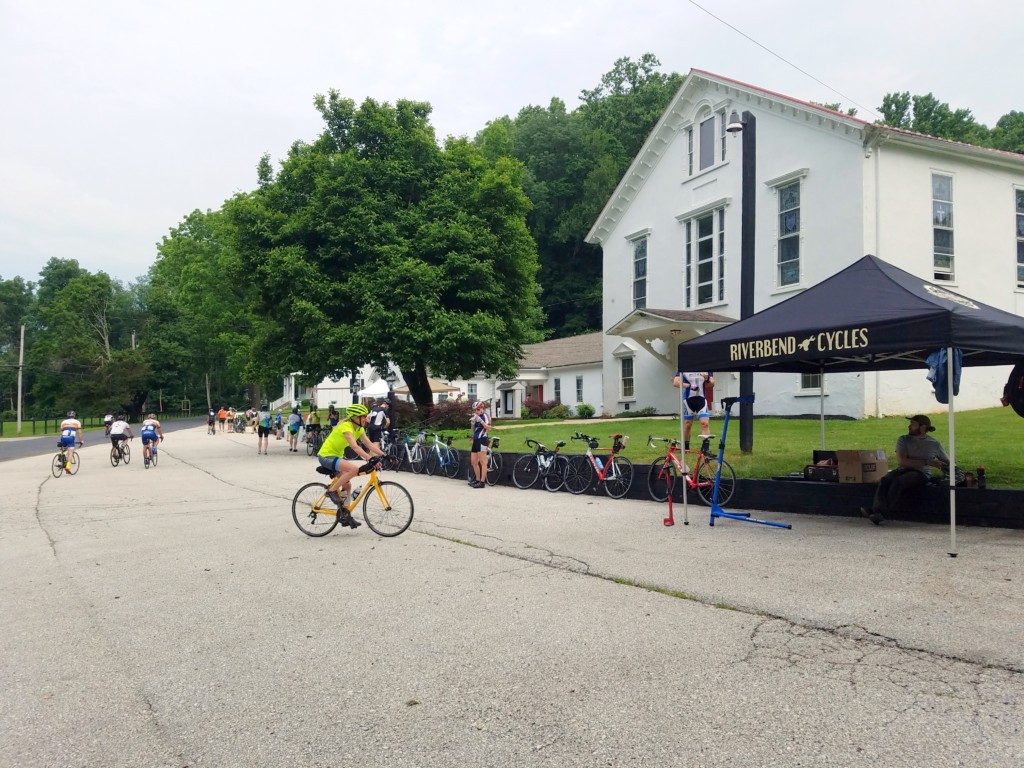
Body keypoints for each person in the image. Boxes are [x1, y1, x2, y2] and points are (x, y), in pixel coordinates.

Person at [860, 414, 950, 525]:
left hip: (921, 474)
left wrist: (949, 469)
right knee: (885, 479)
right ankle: (877, 512)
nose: (909, 426)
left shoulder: (935, 444)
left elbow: (947, 461)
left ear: (922, 427)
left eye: (913, 424)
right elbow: (902, 461)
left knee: (900, 481)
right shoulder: (903, 439)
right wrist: (927, 462)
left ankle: (880, 513)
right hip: (902, 469)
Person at [317, 403, 385, 529]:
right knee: (353, 469)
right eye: (363, 416)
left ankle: (345, 515)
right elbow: (355, 447)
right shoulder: (346, 426)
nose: (366, 419)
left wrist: (385, 455)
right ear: (355, 418)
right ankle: (331, 491)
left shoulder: (359, 429)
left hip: (336, 457)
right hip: (326, 456)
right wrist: (370, 459)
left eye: (366, 416)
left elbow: (370, 445)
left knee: (347, 485)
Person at [673, 371, 715, 449]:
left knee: (705, 423)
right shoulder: (684, 366)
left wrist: (707, 378)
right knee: (688, 425)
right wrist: (689, 386)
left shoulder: (706, 367)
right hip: (688, 400)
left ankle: (705, 448)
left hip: (701, 399)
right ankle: (686, 447)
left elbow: (712, 383)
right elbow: (675, 382)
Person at [468, 400, 491, 488]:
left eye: (477, 410)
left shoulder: (485, 416)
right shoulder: (475, 416)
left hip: (482, 439)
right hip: (476, 439)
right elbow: (475, 430)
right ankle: (477, 480)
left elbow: (488, 428)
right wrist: (473, 425)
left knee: (483, 461)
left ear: (481, 408)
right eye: (474, 410)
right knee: (473, 461)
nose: (476, 412)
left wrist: (480, 421)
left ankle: (482, 482)